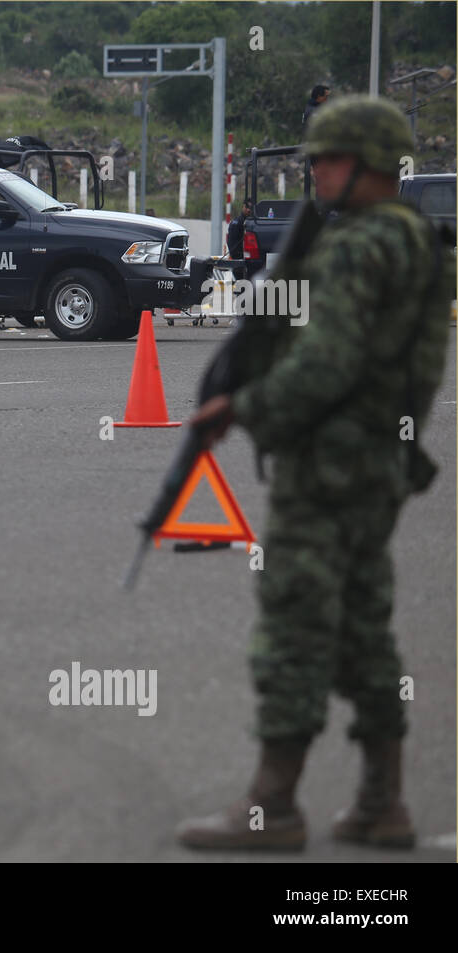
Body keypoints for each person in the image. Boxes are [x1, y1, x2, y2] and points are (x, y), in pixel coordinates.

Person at [177, 96, 452, 852]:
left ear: (368, 163)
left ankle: (273, 805)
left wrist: (244, 408)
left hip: (329, 466)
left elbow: (328, 364)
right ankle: (380, 801)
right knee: (364, 626)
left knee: (295, 623)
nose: (316, 170)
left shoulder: (363, 245)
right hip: (375, 466)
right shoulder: (412, 239)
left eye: (329, 158)